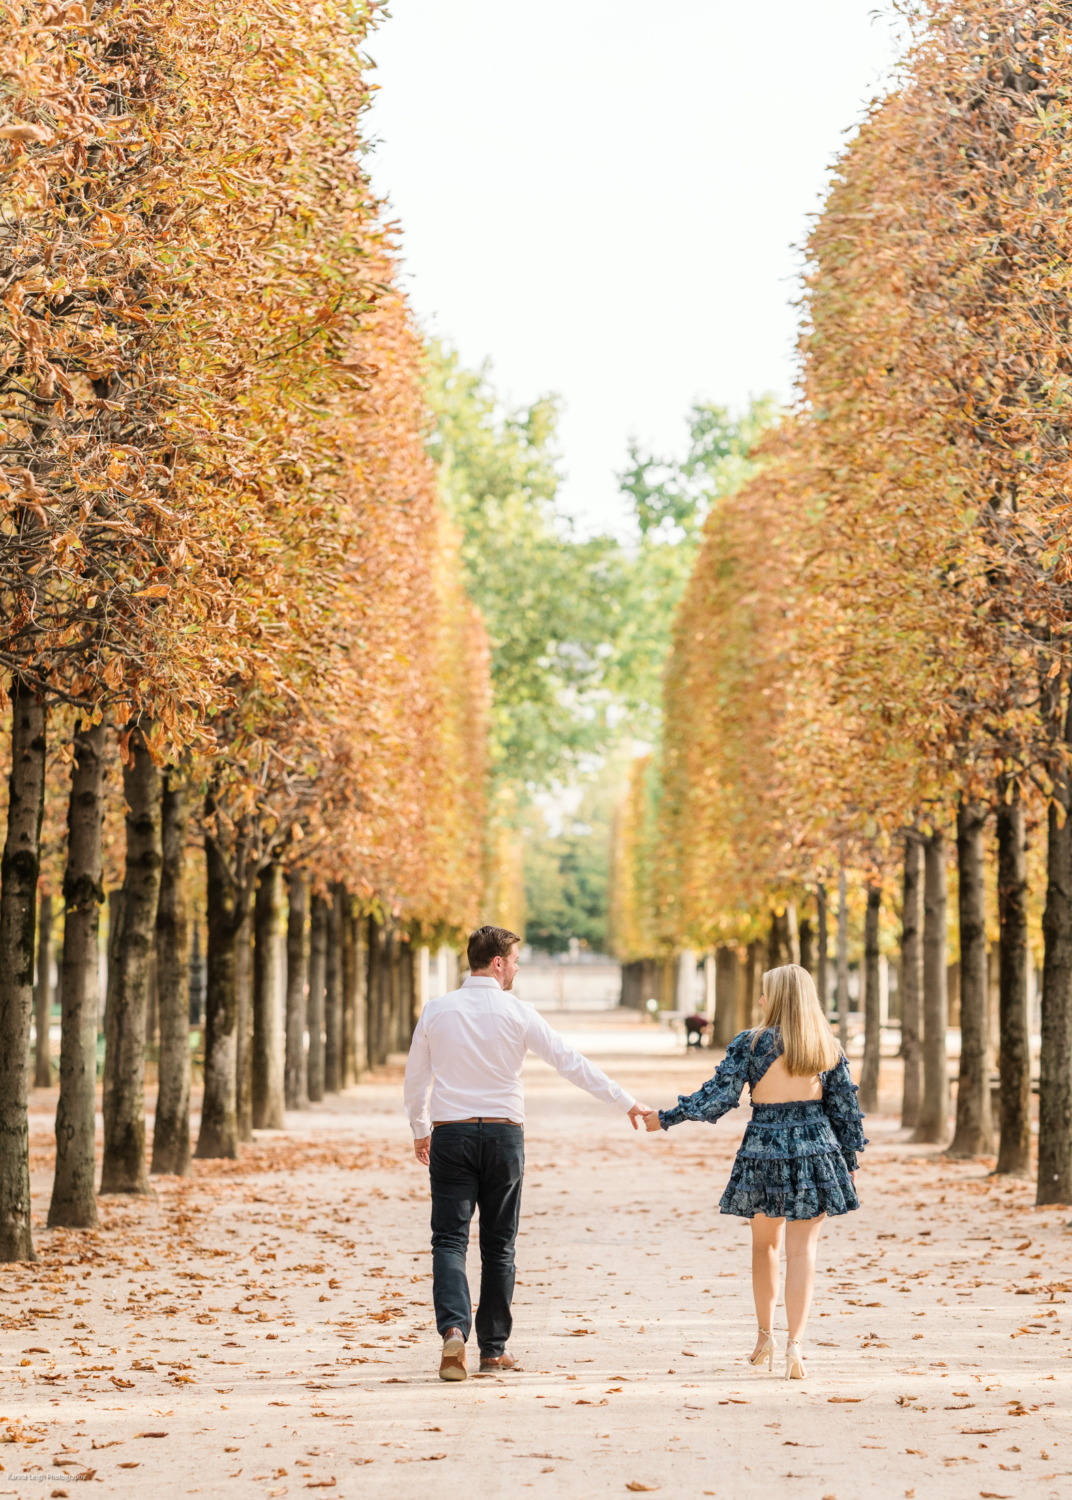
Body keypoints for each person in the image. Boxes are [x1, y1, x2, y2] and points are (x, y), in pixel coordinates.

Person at [405, 924, 653, 1381]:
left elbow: (416, 1078)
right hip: (503, 1136)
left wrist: (422, 1128)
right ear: (498, 963)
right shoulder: (519, 1013)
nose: (517, 968)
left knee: (449, 1239)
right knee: (500, 1244)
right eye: (515, 961)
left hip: (451, 1135)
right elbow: (569, 1061)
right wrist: (625, 1101)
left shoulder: (437, 1010)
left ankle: (454, 1330)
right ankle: (493, 1349)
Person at [644, 963, 866, 1380]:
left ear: (777, 997)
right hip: (815, 1151)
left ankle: (766, 1336)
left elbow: (718, 1098)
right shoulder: (825, 1045)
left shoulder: (751, 1044)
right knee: (804, 1251)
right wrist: (848, 1164)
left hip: (764, 1149)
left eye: (765, 992)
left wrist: (667, 1117)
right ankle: (796, 1347)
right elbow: (846, 1113)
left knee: (764, 1247)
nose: (760, 999)